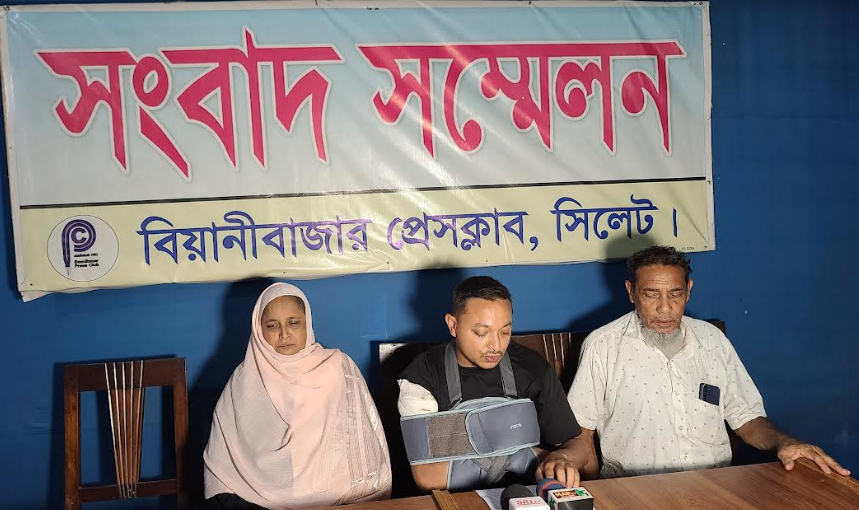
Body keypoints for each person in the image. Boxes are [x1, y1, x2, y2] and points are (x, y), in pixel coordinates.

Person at [568, 246, 850, 478]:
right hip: (636, 491)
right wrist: (596, 494)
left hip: (716, 486)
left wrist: (784, 442)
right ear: (631, 292)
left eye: (675, 294)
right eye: (651, 294)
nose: (665, 308)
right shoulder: (603, 346)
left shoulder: (712, 340)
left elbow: (746, 417)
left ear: (688, 290)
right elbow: (582, 434)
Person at [204, 283, 391, 509]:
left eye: (293, 323)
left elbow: (364, 456)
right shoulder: (244, 381)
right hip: (258, 501)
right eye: (272, 326)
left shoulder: (338, 368)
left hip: (336, 502)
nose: (284, 334)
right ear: (258, 329)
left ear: (307, 323)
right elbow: (222, 470)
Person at [398, 276, 592, 491]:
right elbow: (426, 476)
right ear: (453, 325)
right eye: (481, 333)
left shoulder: (533, 368)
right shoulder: (422, 375)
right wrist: (522, 458)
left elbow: (578, 446)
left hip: (529, 497)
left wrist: (562, 459)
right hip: (457, 500)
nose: (496, 345)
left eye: (505, 331)